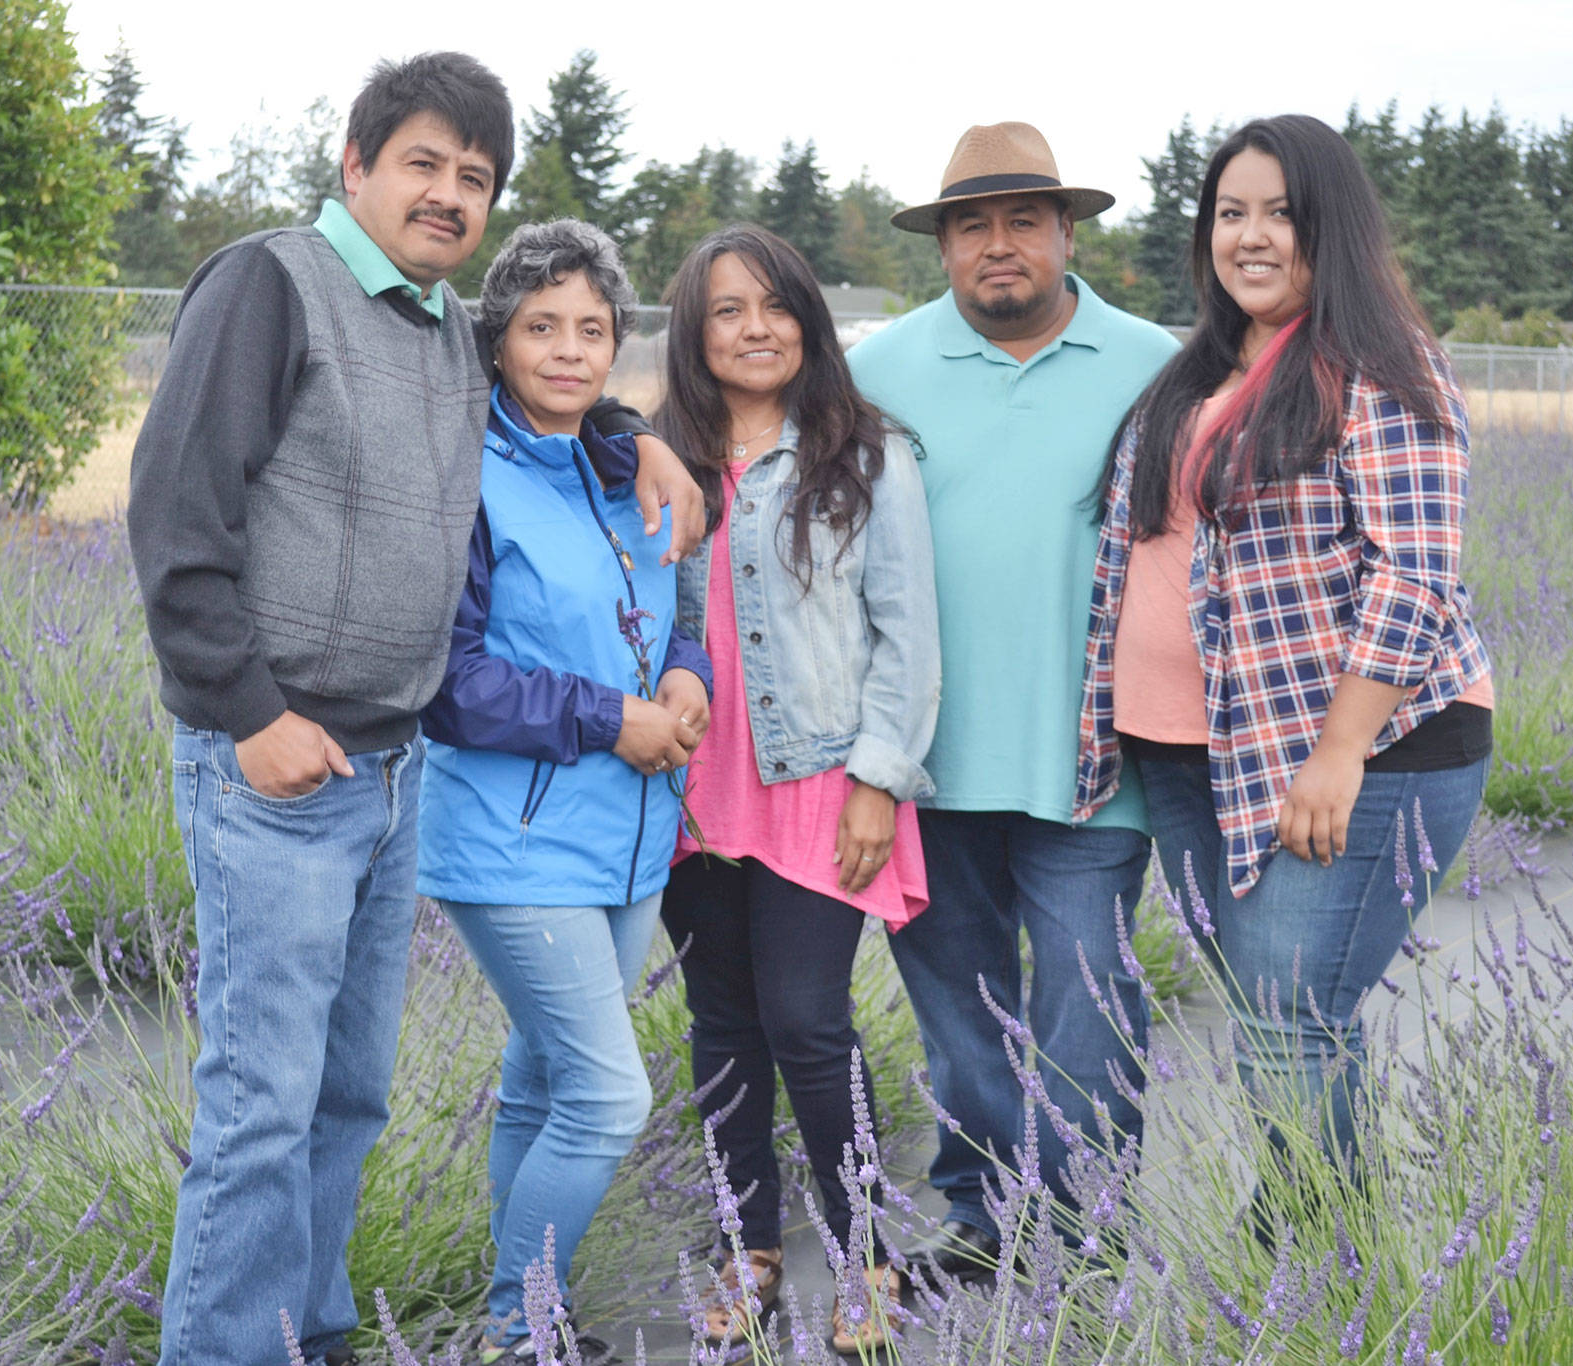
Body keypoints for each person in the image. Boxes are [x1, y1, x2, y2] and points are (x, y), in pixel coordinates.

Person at [127, 54, 703, 1366]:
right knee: (260, 1102)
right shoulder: (272, 285)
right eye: (424, 164)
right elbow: (176, 517)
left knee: (347, 1092)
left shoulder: (443, 328)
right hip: (272, 766)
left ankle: (307, 1332)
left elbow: (540, 392)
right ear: (357, 164)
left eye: (474, 177)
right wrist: (248, 708)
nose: (447, 194)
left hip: (389, 770)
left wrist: (638, 436)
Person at [1075, 114, 1494, 1224]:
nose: (1249, 236)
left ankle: (1318, 1259)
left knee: (1286, 1011)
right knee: (1275, 1012)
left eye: (1279, 213)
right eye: (1230, 213)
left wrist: (1338, 750)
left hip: (1355, 749)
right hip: (1190, 749)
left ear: (1331, 227)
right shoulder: (1208, 367)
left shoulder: (1380, 367)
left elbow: (1415, 575)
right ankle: (1319, 1243)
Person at [845, 122, 1180, 1274]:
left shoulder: (1157, 366)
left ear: (1065, 233)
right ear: (942, 246)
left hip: (1095, 763)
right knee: (962, 1026)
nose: (998, 246)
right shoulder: (874, 371)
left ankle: (1088, 1233)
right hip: (923, 765)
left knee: (1085, 1014)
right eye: (971, 225)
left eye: (1021, 221)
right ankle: (982, 1223)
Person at [413, 218, 711, 1365]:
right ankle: (516, 1326)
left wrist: (686, 672)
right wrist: (611, 718)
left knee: (540, 1081)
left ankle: (515, 1316)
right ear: (498, 341)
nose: (569, 350)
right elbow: (451, 682)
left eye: (592, 328)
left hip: (631, 840)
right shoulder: (462, 477)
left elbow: (678, 602)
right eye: (541, 327)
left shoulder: (620, 460)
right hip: (511, 840)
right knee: (605, 1096)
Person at [655, 225, 940, 1354]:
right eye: (727, 309)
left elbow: (907, 638)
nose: (755, 327)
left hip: (818, 783)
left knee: (809, 1024)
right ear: (695, 330)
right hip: (685, 792)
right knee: (721, 1025)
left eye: (776, 306)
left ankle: (866, 1254)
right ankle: (749, 1248)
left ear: (809, 324)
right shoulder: (652, 453)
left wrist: (878, 780)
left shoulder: (864, 455)